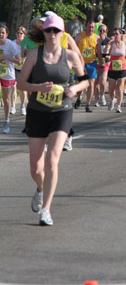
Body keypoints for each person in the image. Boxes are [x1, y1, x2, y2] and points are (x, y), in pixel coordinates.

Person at [17, 14, 89, 226]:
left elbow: (85, 80)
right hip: (37, 112)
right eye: (48, 30)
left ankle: (46, 210)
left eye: (56, 30)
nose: (52, 34)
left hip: (61, 111)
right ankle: (40, 188)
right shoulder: (34, 55)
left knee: (52, 159)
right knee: (35, 168)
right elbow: (20, 83)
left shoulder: (70, 56)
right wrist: (38, 87)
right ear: (44, 32)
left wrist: (74, 88)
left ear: (62, 32)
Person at [106, 28, 126, 112]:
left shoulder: (125, 44)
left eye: (117, 34)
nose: (115, 36)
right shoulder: (111, 44)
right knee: (111, 90)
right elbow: (105, 51)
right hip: (112, 69)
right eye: (114, 34)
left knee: (119, 88)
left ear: (120, 35)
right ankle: (113, 100)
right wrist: (108, 43)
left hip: (122, 69)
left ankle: (119, 106)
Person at [0, 24, 22, 133]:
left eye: (2, 32)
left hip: (7, 75)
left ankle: (6, 120)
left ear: (6, 34)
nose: (0, 34)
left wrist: (6, 57)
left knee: (6, 99)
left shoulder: (11, 45)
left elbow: (19, 61)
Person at [75, 20, 98, 112]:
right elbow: (73, 48)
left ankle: (88, 105)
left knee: (91, 85)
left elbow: (99, 52)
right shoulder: (79, 35)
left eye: (92, 27)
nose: (91, 29)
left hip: (92, 63)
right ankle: (79, 97)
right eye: (89, 27)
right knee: (79, 83)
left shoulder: (97, 38)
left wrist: (101, 62)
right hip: (80, 63)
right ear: (86, 26)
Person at [11, 26, 28, 116]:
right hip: (14, 67)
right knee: (14, 87)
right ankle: (13, 106)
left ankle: (22, 106)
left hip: (24, 68)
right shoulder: (12, 43)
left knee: (22, 89)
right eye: (17, 33)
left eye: (21, 33)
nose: (19, 34)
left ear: (24, 35)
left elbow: (32, 54)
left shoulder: (27, 43)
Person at [95, 24, 110, 106]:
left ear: (106, 31)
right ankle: (96, 100)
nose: (101, 32)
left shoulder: (108, 41)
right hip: (96, 62)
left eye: (103, 31)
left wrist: (109, 56)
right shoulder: (95, 40)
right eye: (100, 30)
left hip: (105, 62)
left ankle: (102, 95)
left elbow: (112, 51)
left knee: (103, 81)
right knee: (96, 82)